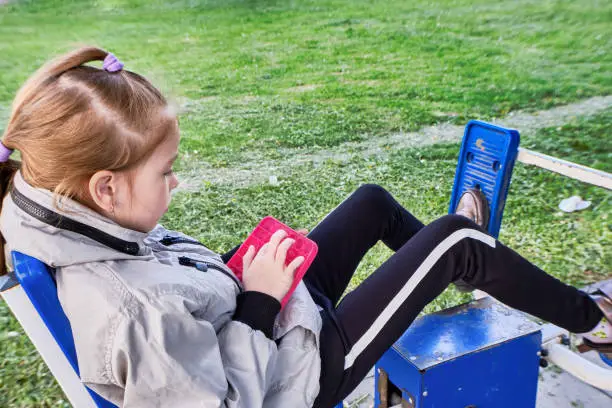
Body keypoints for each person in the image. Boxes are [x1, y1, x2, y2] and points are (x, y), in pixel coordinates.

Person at [0, 47, 610, 408]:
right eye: (166, 173)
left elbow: (166, 290)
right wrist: (262, 302)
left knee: (371, 203)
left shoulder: (66, 211)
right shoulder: (130, 313)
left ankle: (454, 268)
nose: (175, 183)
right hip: (302, 375)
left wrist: (243, 276)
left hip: (268, 324)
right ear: (105, 187)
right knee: (457, 238)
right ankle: (596, 321)